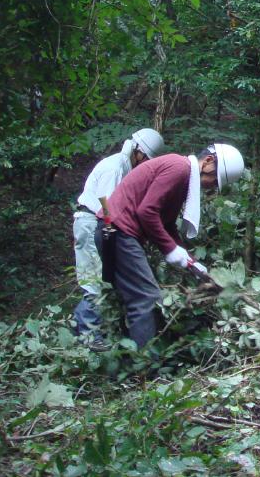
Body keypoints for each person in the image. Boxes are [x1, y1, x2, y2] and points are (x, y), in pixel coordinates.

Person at [97, 143, 245, 349]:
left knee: (131, 297)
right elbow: (146, 212)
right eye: (214, 180)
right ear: (208, 161)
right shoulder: (179, 168)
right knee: (147, 298)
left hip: (117, 231)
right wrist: (171, 250)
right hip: (118, 231)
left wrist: (190, 262)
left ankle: (128, 358)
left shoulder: (183, 176)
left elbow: (166, 223)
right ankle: (144, 368)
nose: (211, 187)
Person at [72, 128, 164, 345]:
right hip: (90, 224)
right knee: (94, 285)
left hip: (98, 226)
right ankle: (88, 340)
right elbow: (107, 208)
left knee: (105, 282)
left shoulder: (123, 166)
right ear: (139, 153)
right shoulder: (114, 168)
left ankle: (87, 330)